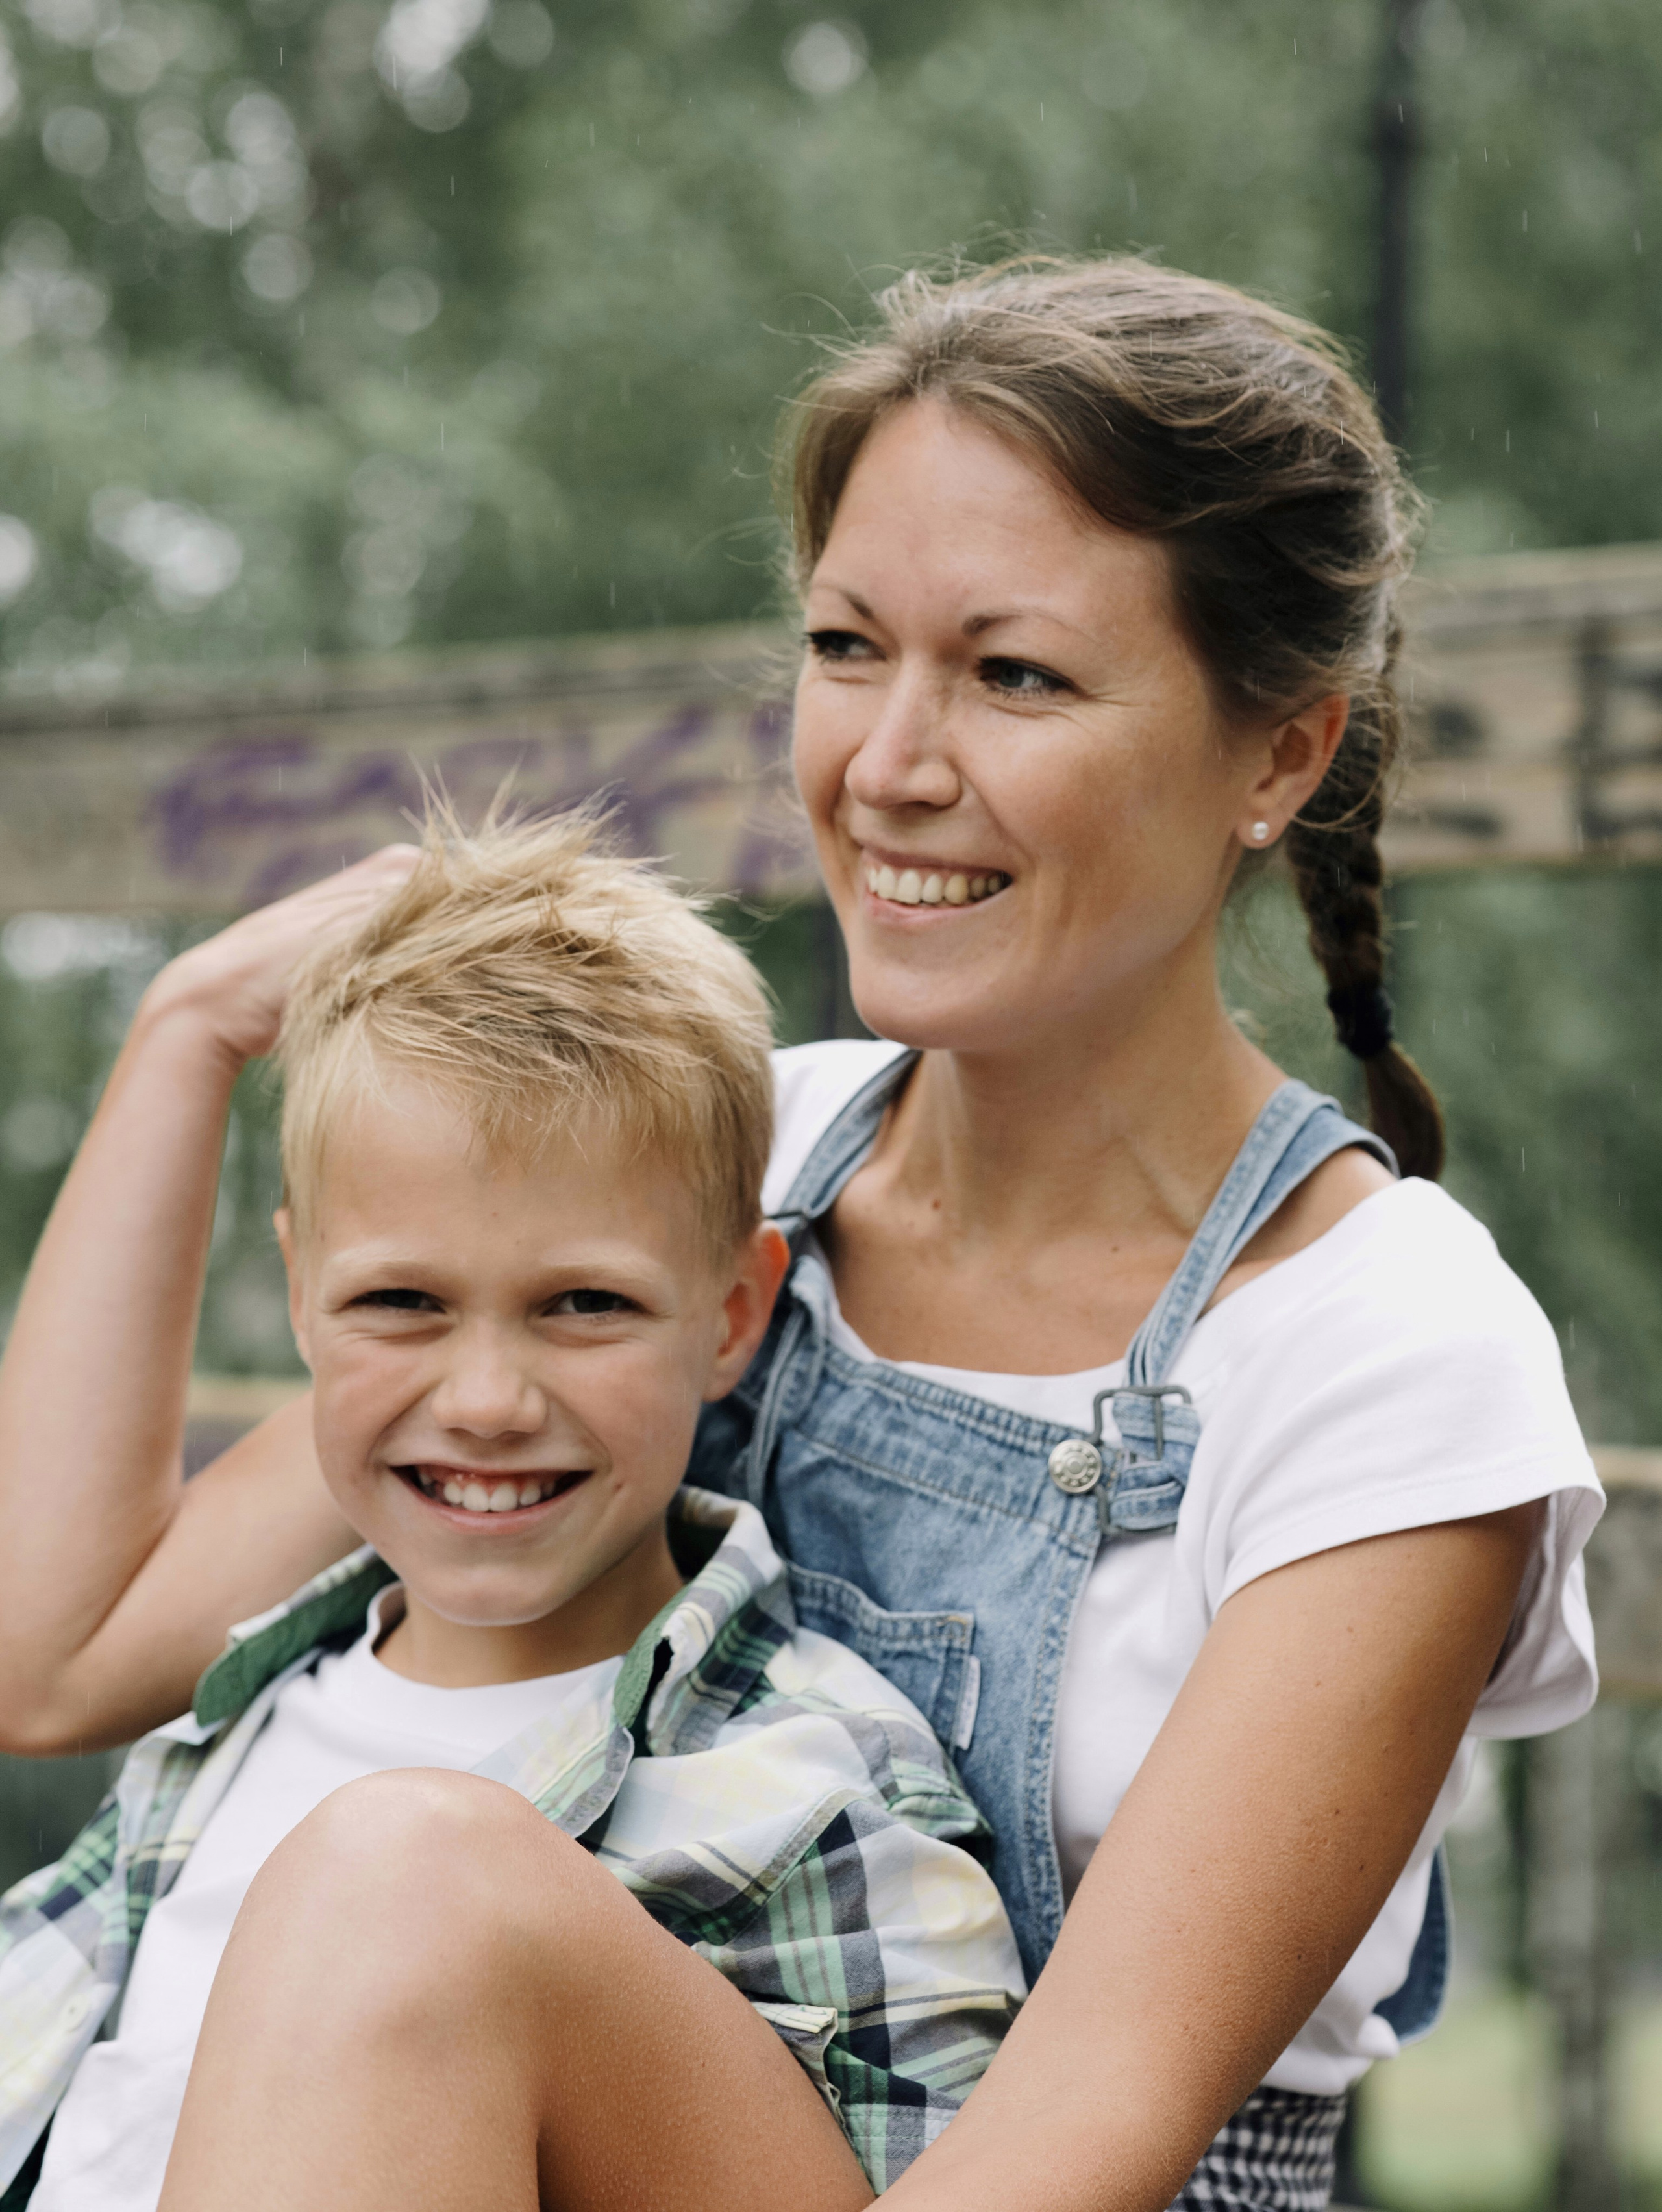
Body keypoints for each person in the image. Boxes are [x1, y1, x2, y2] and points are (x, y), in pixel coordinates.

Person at [0, 256, 1603, 2212]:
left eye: (1014, 675)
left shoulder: (1384, 1348)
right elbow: (55, 1655)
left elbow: (1075, 2151)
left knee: (414, 1880)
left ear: (1278, 754)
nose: (887, 764)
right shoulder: (722, 1160)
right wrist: (187, 1035)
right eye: (849, 648)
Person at [0, 810, 1024, 2211]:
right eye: (400, 1302)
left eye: (585, 1304)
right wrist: (190, 1021)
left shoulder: (818, 1793)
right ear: (300, 1296)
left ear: (733, 1314)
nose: (485, 1400)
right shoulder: (230, 1731)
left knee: (397, 1864)